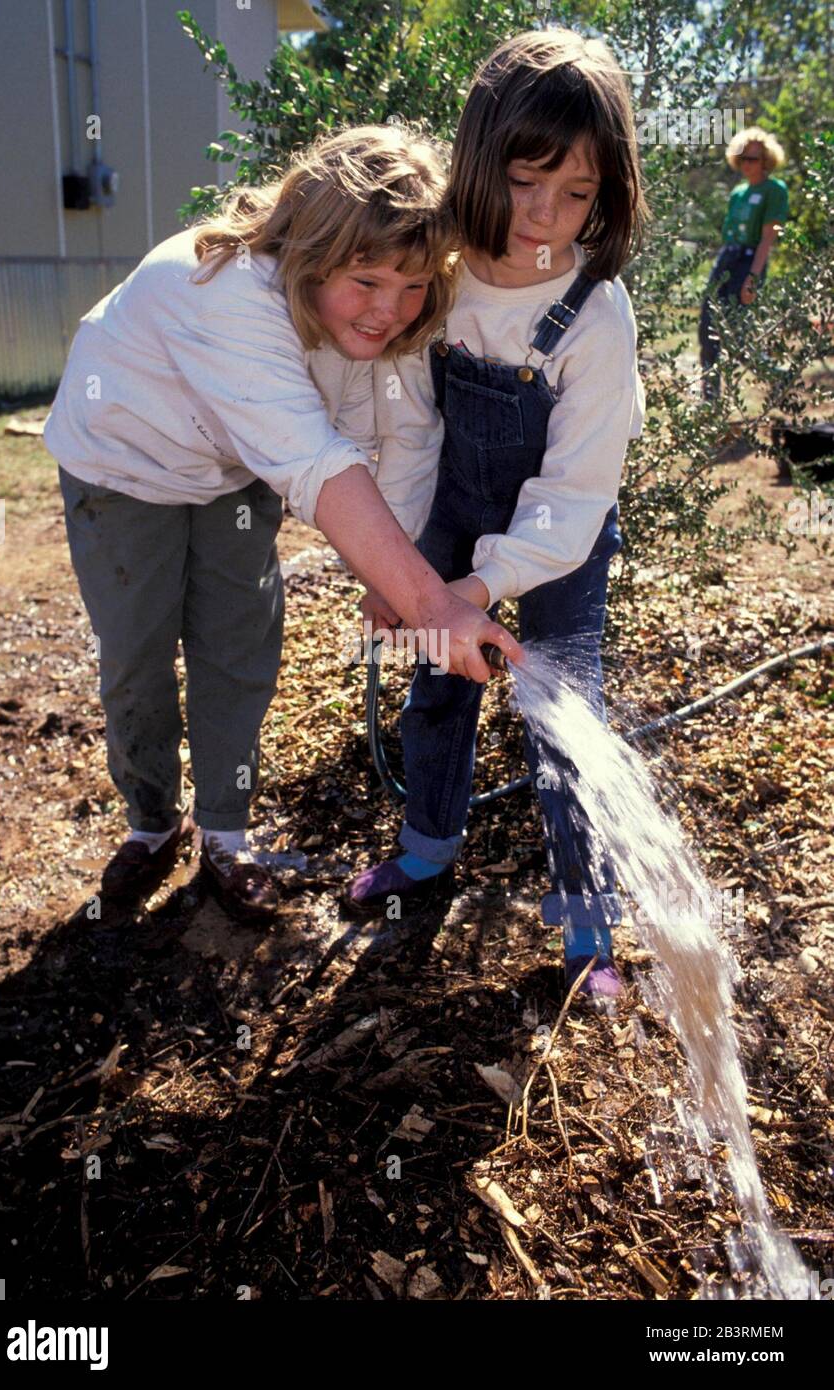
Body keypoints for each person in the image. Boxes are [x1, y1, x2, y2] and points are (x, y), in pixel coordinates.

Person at [44, 125, 520, 924]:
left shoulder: (391, 314)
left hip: (232, 473)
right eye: (366, 282)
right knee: (138, 659)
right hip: (123, 471)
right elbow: (315, 463)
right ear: (307, 252)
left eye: (411, 289)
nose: (390, 312)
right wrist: (432, 605)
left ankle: (226, 837)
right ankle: (151, 823)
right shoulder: (218, 288)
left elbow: (406, 436)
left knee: (238, 651)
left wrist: (396, 586)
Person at [345, 31, 648, 1004]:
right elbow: (402, 417)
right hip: (449, 509)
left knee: (562, 714)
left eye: (576, 195)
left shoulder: (593, 318)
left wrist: (478, 585)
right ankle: (428, 851)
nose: (545, 217)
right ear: (482, 161)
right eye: (525, 182)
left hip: (557, 542)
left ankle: (587, 925)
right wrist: (400, 568)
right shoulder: (437, 272)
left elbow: (573, 494)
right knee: (438, 687)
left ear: (606, 192)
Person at [698, 126, 788, 401]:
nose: (748, 164)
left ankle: (778, 377)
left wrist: (752, 278)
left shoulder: (774, 190)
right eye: (744, 158)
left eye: (754, 159)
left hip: (750, 260)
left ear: (766, 161)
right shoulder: (738, 193)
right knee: (708, 323)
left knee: (737, 332)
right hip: (727, 257)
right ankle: (710, 398)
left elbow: (766, 240)